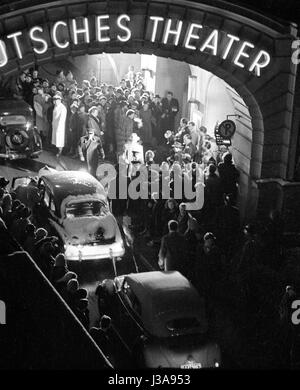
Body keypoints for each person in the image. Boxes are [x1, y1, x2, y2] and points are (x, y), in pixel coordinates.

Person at [51, 92, 67, 157]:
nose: (55, 102)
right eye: (54, 100)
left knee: (60, 139)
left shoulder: (63, 108)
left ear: (59, 100)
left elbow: (62, 119)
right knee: (55, 139)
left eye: (56, 100)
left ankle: (60, 152)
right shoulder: (55, 107)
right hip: (55, 125)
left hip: (60, 127)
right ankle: (56, 150)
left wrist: (59, 127)